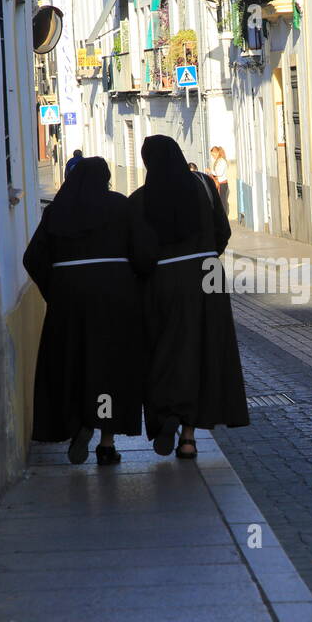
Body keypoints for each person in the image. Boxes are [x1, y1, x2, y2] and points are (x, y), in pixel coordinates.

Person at [22, 156, 151, 465]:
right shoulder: (121, 206)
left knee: (75, 364)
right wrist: (132, 282)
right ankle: (106, 443)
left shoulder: (57, 211)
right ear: (105, 179)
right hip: (114, 299)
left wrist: (56, 291)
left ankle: (80, 424)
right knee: (109, 369)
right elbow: (144, 254)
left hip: (69, 301)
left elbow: (32, 258)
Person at [130, 135, 249, 458]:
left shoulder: (139, 199)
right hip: (207, 278)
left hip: (161, 280)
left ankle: (167, 414)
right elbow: (222, 232)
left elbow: (137, 251)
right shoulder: (204, 188)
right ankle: (188, 437)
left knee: (162, 352)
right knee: (202, 354)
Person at [209, 145, 231, 216]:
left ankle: (223, 216)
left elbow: (219, 173)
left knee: (222, 201)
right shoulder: (218, 161)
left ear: (217, 153)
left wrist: (210, 171)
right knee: (221, 201)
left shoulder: (221, 161)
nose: (213, 156)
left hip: (222, 184)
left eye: (213, 154)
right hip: (219, 183)